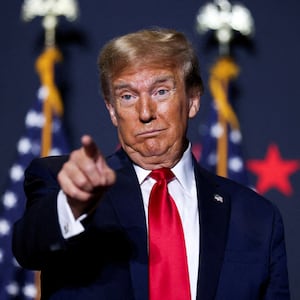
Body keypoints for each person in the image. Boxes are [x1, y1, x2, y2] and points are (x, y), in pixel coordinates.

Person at [12, 27, 290, 300]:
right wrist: (73, 203)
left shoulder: (257, 217)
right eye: (127, 96)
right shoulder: (64, 183)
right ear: (111, 110)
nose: (145, 113)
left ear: (193, 100)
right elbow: (28, 248)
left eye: (161, 91)